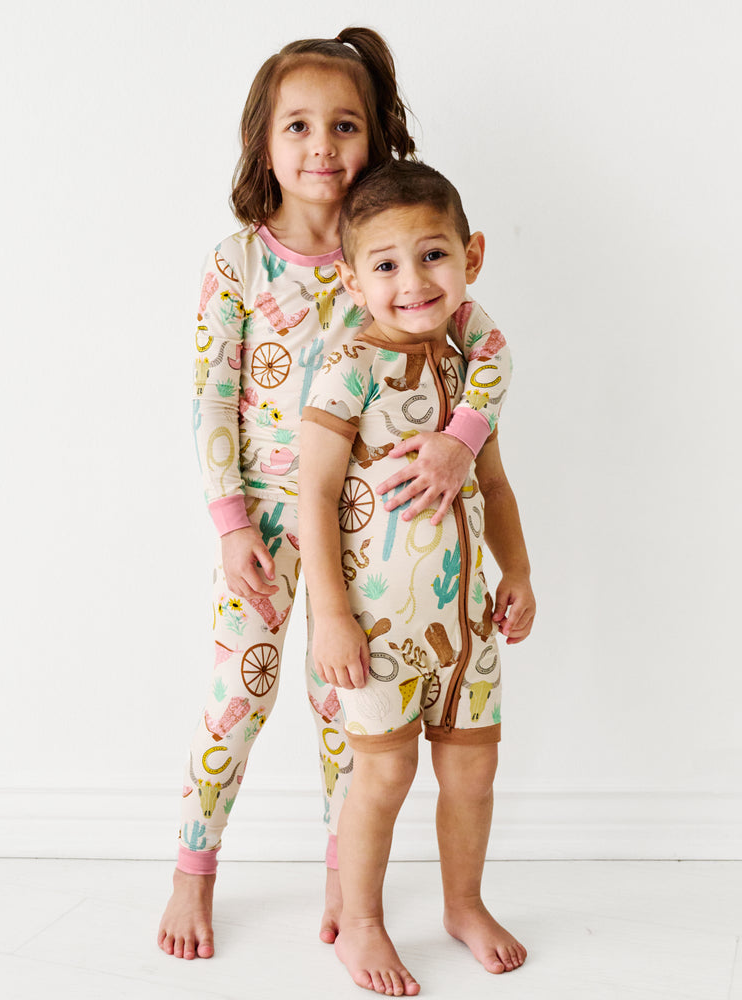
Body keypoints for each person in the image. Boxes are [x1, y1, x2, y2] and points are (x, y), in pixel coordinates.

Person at [158, 29, 514, 961]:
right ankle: (194, 868)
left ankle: (340, 886)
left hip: (364, 545)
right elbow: (209, 400)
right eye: (300, 126)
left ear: (377, 138)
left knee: (346, 711)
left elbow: (485, 354)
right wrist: (232, 523)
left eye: (345, 125)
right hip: (267, 527)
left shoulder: (389, 264)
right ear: (263, 144)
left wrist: (459, 442)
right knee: (240, 694)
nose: (323, 146)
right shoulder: (237, 263)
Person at [299, 159, 535, 996]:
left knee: (473, 772)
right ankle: (360, 919)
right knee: (387, 774)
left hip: (467, 627)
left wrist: (519, 572)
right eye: (387, 264)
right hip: (376, 630)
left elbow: (494, 483)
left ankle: (463, 903)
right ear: (352, 277)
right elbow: (313, 494)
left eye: (433, 255)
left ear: (470, 256)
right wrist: (329, 616)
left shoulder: (470, 373)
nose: (413, 281)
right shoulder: (350, 368)